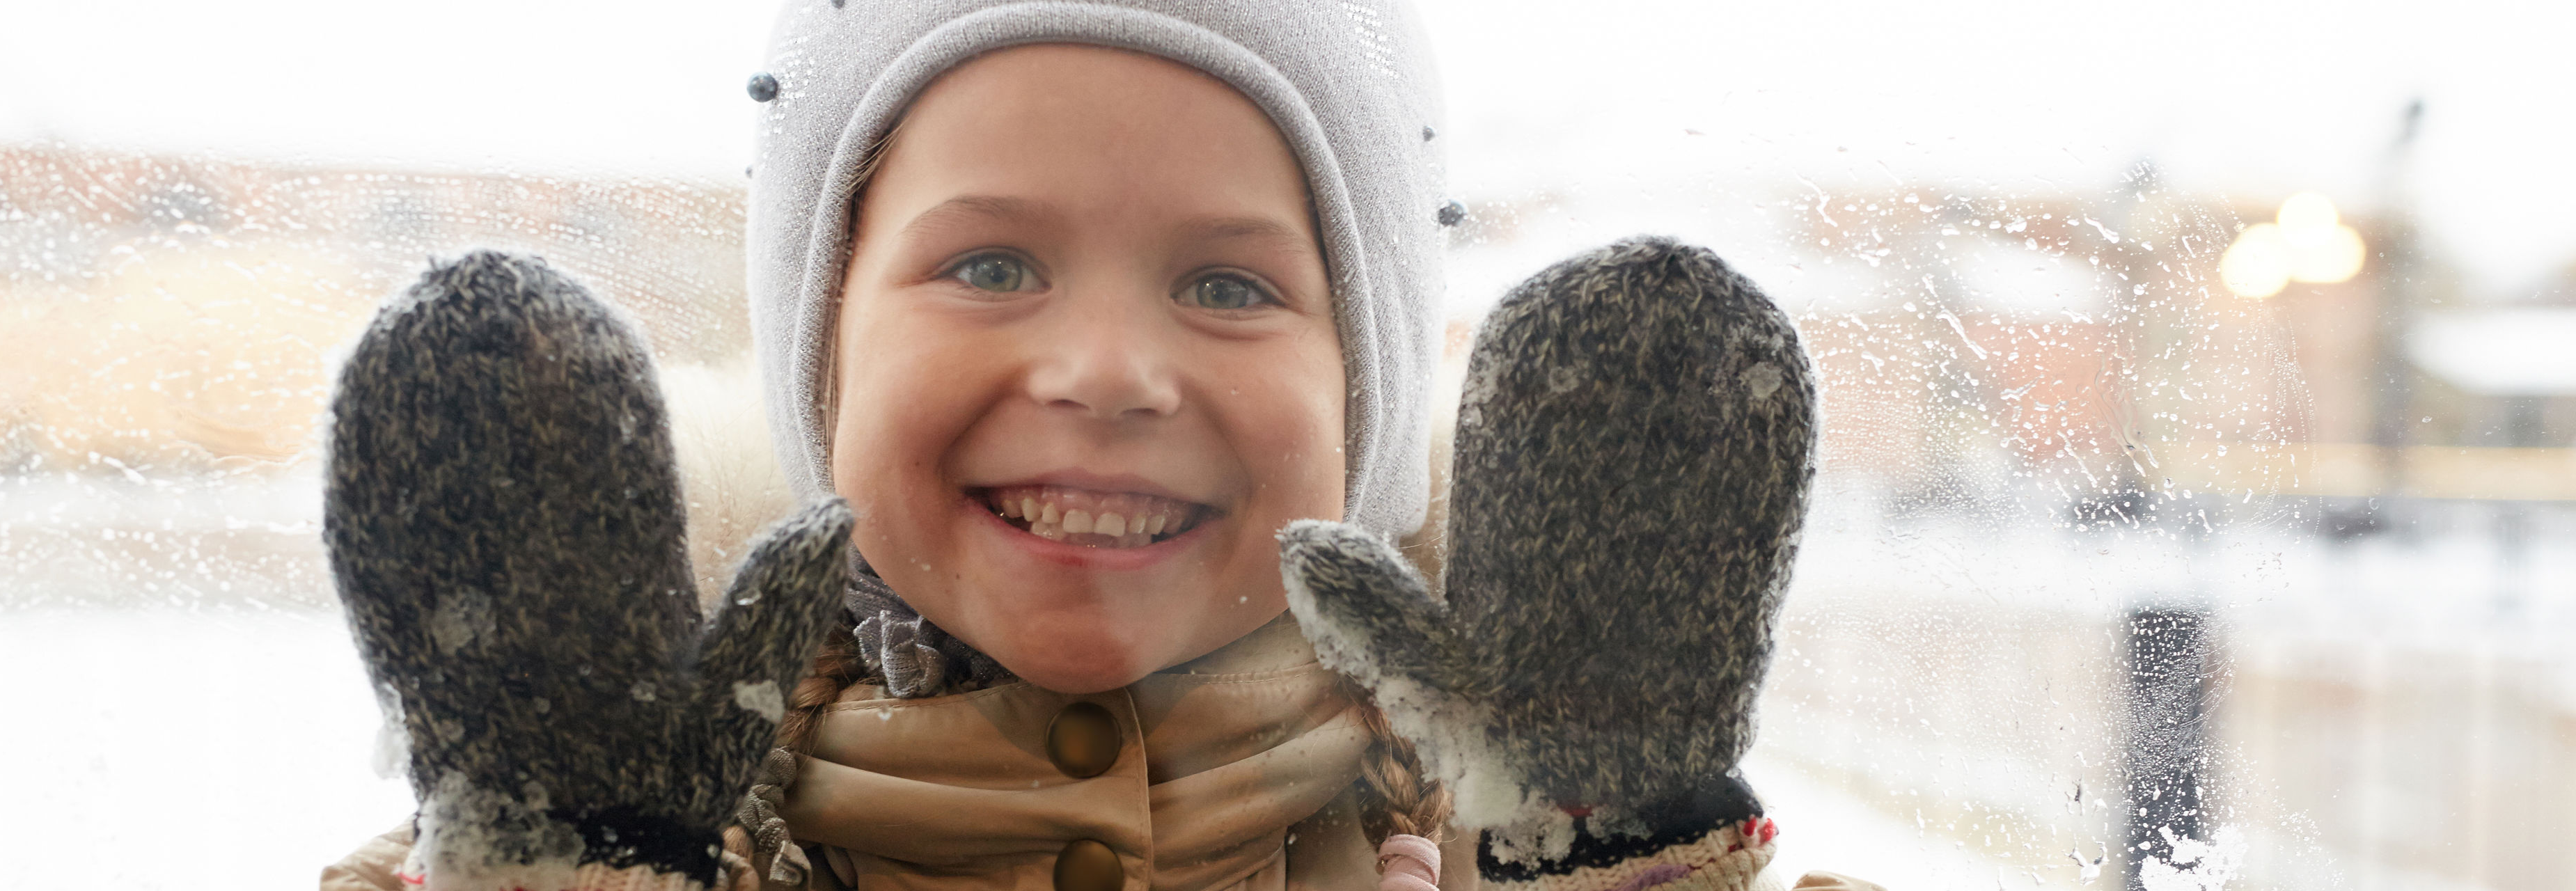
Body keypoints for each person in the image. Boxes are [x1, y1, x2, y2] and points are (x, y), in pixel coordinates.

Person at [319, 3, 1877, 890]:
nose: (1110, 371)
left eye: (1228, 283)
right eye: (990, 265)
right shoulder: (663, 812)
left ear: (1369, 399)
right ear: (826, 353)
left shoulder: (1482, 827)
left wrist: (1633, 850)